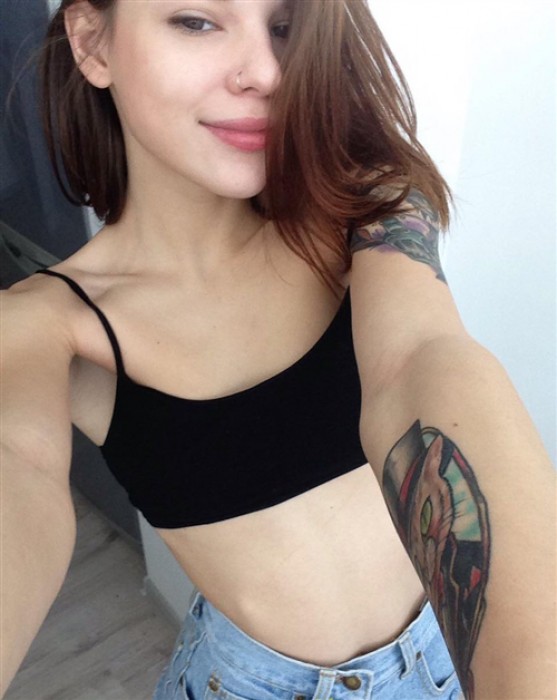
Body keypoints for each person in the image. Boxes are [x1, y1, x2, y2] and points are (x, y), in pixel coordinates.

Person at [1, 1, 555, 699]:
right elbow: (15, 462)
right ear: (92, 43)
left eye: (285, 27)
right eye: (197, 21)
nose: (266, 72)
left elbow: (421, 357)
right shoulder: (46, 324)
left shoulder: (370, 210)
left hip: (456, 652)